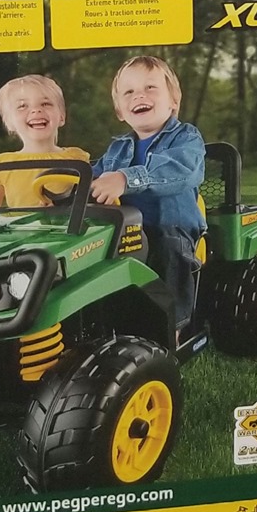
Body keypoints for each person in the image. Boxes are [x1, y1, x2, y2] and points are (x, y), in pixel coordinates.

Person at [90, 56, 206, 333]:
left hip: (170, 227)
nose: (139, 96)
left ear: (173, 100)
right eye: (129, 92)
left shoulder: (186, 138)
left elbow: (182, 170)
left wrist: (124, 178)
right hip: (125, 231)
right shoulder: (117, 149)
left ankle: (173, 326)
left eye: (150, 88)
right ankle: (102, 325)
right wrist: (70, 187)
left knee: (168, 249)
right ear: (120, 111)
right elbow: (94, 177)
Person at [0, 74, 90, 210]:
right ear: (9, 123)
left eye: (45, 104)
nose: (36, 110)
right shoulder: (0, 165)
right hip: (22, 225)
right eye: (22, 106)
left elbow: (87, 204)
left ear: (62, 116)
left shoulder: (77, 157)